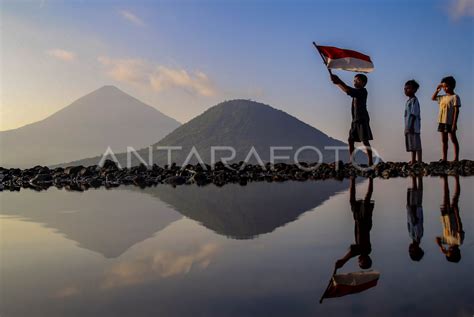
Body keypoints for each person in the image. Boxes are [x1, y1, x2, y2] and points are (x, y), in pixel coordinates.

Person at [330, 73, 374, 165]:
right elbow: (348, 91)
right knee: (350, 140)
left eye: (357, 80)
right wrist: (338, 83)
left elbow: (348, 91)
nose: (355, 82)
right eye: (354, 80)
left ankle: (370, 161)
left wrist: (338, 81)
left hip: (362, 119)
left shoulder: (362, 92)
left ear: (363, 83)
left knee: (365, 140)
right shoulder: (356, 92)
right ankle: (352, 160)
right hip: (355, 120)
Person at [335, 177, 374, 270]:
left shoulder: (362, 251)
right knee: (367, 198)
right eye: (361, 262)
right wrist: (343, 261)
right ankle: (371, 179)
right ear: (365, 260)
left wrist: (343, 260)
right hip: (364, 221)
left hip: (359, 220)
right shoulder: (366, 250)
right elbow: (353, 251)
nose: (358, 261)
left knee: (352, 200)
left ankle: (352, 179)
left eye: (359, 263)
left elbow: (353, 249)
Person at [431, 76, 461, 162]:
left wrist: (454, 123)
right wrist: (437, 90)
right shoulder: (442, 97)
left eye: (446, 86)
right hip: (441, 121)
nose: (445, 88)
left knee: (453, 139)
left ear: (452, 86)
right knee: (444, 140)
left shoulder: (455, 97)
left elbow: (456, 111)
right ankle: (444, 158)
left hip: (450, 122)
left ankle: (456, 158)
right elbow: (433, 98)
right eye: (443, 86)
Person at [436, 175, 464, 263]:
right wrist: (456, 213)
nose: (450, 250)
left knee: (445, 195)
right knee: (455, 198)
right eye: (451, 252)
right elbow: (459, 226)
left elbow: (437, 239)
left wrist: (441, 247)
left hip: (445, 218)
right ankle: (456, 179)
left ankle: (445, 179)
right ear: (457, 252)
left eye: (449, 251)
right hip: (452, 217)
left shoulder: (447, 242)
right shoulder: (459, 241)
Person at [404, 80, 422, 164]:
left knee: (417, 144)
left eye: (408, 89)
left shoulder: (414, 100)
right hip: (408, 126)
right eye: (405, 89)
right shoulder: (408, 101)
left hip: (414, 126)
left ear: (414, 90)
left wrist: (410, 126)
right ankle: (413, 160)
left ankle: (419, 160)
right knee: (412, 144)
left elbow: (414, 114)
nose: (405, 90)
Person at [406, 176, 424, 261]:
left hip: (412, 208)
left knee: (415, 190)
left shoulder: (412, 236)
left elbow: (409, 221)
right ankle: (417, 175)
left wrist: (408, 207)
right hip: (416, 208)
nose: (409, 249)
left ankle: (415, 175)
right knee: (417, 190)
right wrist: (412, 208)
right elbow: (415, 221)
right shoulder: (417, 235)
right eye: (411, 251)